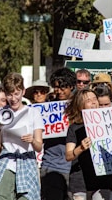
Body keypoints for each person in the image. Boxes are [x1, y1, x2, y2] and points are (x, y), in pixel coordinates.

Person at [0, 72, 44, 200]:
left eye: (16, 94)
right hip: (6, 162)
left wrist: (32, 140)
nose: (13, 98)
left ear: (23, 92)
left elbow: (39, 147)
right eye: (9, 94)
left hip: (27, 162)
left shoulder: (33, 113)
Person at [40, 67, 76, 200]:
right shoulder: (46, 108)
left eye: (63, 87)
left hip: (73, 170)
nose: (59, 91)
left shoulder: (79, 107)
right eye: (56, 87)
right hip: (51, 166)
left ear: (71, 87)